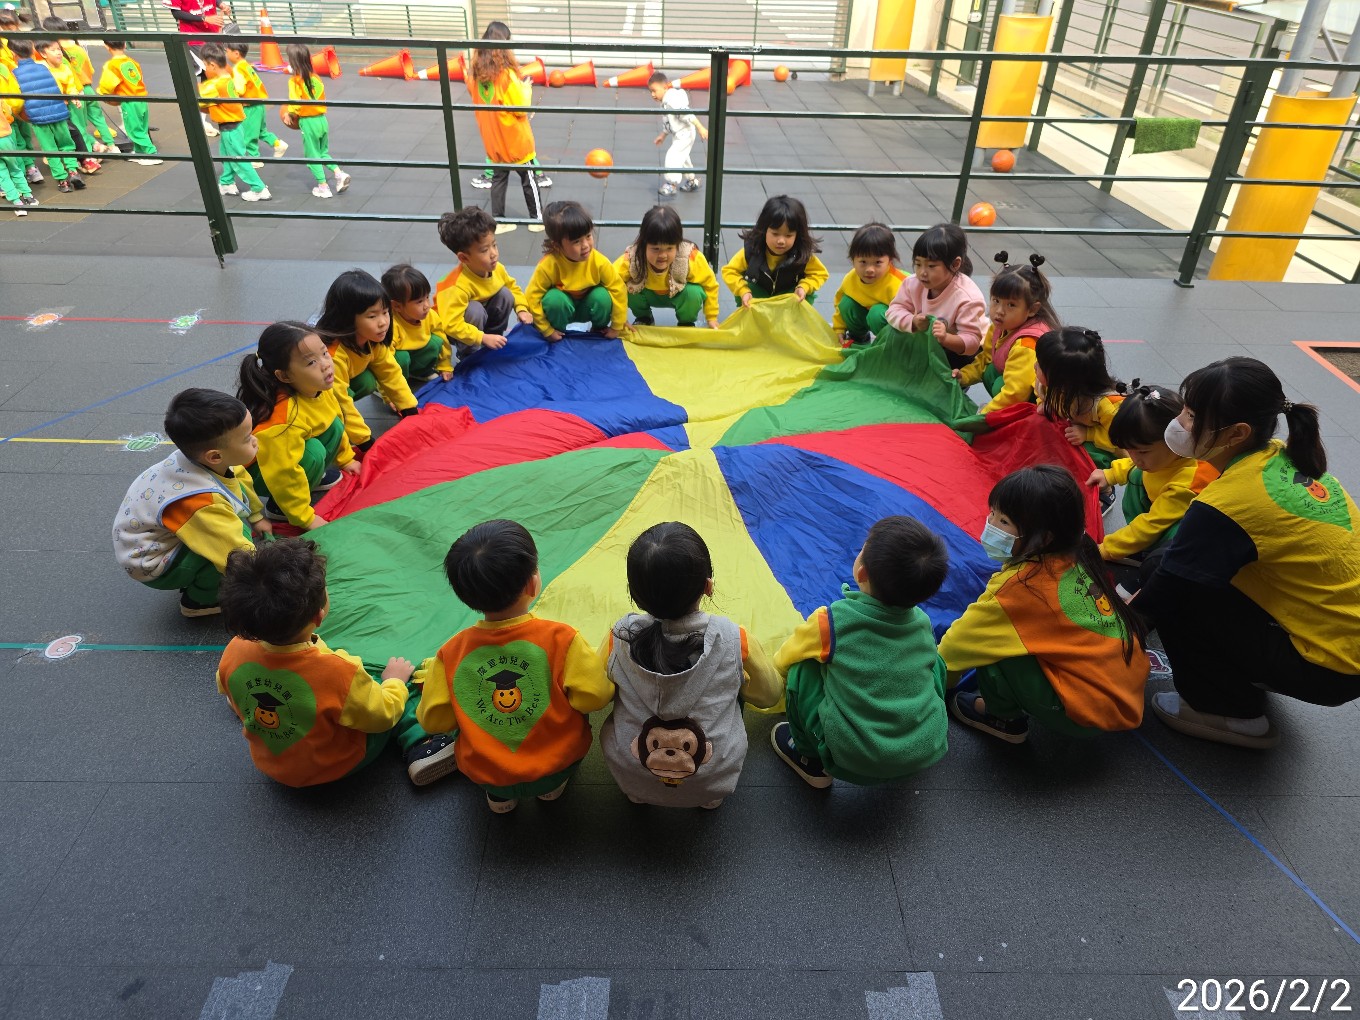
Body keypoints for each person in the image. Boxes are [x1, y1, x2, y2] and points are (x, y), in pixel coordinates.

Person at [1139, 357, 1360, 749]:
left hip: (1330, 666)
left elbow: (1165, 591)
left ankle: (1231, 712)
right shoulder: (1282, 456)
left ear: (1236, 433)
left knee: (1175, 590)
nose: (1179, 423)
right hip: (1343, 643)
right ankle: (1249, 668)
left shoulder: (1230, 502)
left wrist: (1103, 633)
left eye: (1192, 416)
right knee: (1170, 561)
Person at [216, 538, 459, 787]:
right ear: (319, 615)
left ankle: (248, 701)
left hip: (271, 762)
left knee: (243, 684)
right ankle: (422, 744)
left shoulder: (235, 650)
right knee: (398, 685)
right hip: (335, 763)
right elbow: (382, 715)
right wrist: (394, 681)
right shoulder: (337, 671)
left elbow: (223, 685)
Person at [939, 465, 1150, 743]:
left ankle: (1002, 718)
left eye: (1003, 521)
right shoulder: (1078, 553)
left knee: (993, 645)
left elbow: (955, 648)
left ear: (1044, 538)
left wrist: (929, 692)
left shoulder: (1020, 589)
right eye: (992, 513)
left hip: (1089, 711)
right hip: (1120, 690)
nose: (990, 523)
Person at [416, 519, 615, 813]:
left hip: (487, 774)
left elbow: (434, 721)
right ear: (532, 584)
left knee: (488, 764)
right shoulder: (562, 639)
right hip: (557, 765)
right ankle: (550, 790)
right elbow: (595, 697)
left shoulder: (450, 654)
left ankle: (501, 799)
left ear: (464, 596)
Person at [600, 523, 782, 808]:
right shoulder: (735, 639)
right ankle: (709, 799)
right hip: (712, 774)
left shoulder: (619, 636)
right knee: (738, 681)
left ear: (633, 594)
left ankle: (639, 794)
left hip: (632, 768)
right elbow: (769, 695)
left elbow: (597, 694)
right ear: (708, 586)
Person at [770, 516, 950, 787]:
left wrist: (776, 678)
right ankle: (910, 738)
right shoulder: (922, 622)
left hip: (849, 759)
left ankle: (808, 757)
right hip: (924, 749)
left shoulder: (831, 621)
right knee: (935, 661)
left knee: (800, 670)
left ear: (861, 573)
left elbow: (784, 658)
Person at [112, 388, 270, 617]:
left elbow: (240, 481)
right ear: (214, 456)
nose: (255, 440)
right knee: (233, 546)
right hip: (150, 562)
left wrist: (256, 516)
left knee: (233, 529)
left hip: (159, 535)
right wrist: (269, 584)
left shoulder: (209, 461)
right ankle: (200, 601)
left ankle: (195, 571)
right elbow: (236, 553)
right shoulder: (202, 503)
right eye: (247, 438)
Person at [236, 320, 358, 529]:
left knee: (335, 426)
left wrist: (346, 459)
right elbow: (283, 473)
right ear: (284, 376)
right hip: (261, 473)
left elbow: (334, 416)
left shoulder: (316, 386)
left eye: (324, 353)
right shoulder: (284, 419)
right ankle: (280, 507)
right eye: (311, 363)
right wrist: (305, 517)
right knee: (313, 452)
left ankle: (311, 478)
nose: (326, 364)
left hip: (281, 460)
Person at [1085, 382, 1216, 571]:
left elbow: (1151, 524)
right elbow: (1132, 463)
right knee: (1138, 474)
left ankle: (1152, 555)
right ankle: (1142, 546)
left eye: (1143, 452)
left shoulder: (1187, 482)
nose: (1135, 458)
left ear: (1174, 439)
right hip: (1160, 505)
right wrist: (1110, 474)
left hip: (1186, 531)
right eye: (1129, 450)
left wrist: (1105, 549)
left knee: (1175, 534)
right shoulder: (1164, 457)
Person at [315, 268, 418, 452]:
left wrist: (410, 410)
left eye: (385, 312)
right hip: (317, 397)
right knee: (335, 412)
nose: (383, 322)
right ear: (347, 318)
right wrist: (365, 441)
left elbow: (390, 373)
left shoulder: (371, 338)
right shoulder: (332, 356)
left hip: (340, 382)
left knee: (368, 380)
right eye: (372, 316)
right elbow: (340, 401)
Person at [954, 252, 1060, 412]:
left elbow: (1016, 393)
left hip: (1038, 401)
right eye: (996, 301)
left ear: (1032, 309)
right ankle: (1003, 410)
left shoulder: (1026, 344)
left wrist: (985, 414)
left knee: (999, 384)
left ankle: (1020, 414)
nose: (999, 311)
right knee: (990, 370)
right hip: (1017, 387)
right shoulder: (1000, 326)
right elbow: (985, 359)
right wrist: (963, 376)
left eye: (1011, 305)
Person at [467, 20, 542, 232]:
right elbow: (520, 108)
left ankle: (499, 220)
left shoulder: (474, 75)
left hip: (494, 139)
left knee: (498, 179)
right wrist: (525, 88)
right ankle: (537, 219)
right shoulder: (506, 76)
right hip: (514, 138)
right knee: (529, 178)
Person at [435, 206, 533, 363]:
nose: (493, 253)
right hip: (456, 329)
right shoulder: (456, 287)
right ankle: (469, 354)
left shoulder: (496, 268)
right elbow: (451, 325)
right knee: (475, 310)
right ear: (464, 258)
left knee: (505, 294)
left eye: (494, 245)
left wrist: (521, 308)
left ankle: (494, 340)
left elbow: (513, 288)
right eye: (484, 250)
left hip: (482, 321)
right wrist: (481, 337)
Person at [884, 222, 987, 369]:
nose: (922, 272)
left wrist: (946, 338)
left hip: (960, 350)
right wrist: (912, 321)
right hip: (930, 340)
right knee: (895, 336)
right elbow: (893, 310)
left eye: (931, 266)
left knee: (947, 362)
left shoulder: (967, 298)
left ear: (955, 264)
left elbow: (971, 342)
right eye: (918, 264)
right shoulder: (913, 283)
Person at [524, 200, 627, 340]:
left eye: (588, 236)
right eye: (576, 241)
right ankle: (558, 331)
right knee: (554, 300)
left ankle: (598, 329)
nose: (585, 245)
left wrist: (617, 326)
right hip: (563, 310)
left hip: (587, 307)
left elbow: (618, 289)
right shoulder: (549, 265)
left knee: (602, 297)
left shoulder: (599, 262)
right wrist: (546, 330)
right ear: (557, 245)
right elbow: (532, 296)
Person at [1035, 326, 1126, 479]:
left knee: (1088, 453)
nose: (1035, 366)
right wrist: (1044, 403)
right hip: (1073, 428)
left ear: (1062, 380)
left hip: (1107, 447)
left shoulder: (1105, 405)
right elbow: (1040, 391)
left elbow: (1122, 439)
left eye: (1040, 365)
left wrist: (1088, 434)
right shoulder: (1052, 382)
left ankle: (1100, 485)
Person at [613, 204, 720, 328]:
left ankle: (686, 322)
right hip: (646, 294)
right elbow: (612, 281)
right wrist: (619, 318)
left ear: (678, 244)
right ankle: (644, 318)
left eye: (669, 248)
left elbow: (710, 284)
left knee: (694, 292)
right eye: (656, 249)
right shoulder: (633, 258)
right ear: (644, 244)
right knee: (626, 288)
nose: (663, 255)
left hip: (679, 294)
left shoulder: (689, 257)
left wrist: (712, 317)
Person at [721, 194, 828, 306]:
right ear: (764, 230)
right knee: (749, 290)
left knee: (805, 295)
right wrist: (743, 291)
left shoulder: (801, 254)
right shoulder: (752, 250)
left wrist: (804, 287)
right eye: (775, 234)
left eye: (788, 235)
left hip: (786, 298)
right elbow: (729, 271)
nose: (781, 241)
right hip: (759, 296)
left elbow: (820, 273)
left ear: (797, 235)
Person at [198, 42, 269, 202]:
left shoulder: (216, 85)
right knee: (226, 155)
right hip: (233, 125)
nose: (205, 70)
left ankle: (259, 188)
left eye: (205, 66)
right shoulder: (228, 77)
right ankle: (227, 182)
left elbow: (201, 98)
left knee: (238, 159)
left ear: (212, 65)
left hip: (230, 127)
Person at [12, 39, 83, 194]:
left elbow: (17, 98)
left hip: (38, 117)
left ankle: (62, 181)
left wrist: (20, 114)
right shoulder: (43, 68)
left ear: (14, 54)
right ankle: (73, 171)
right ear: (33, 52)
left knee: (50, 148)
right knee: (66, 143)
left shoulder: (15, 73)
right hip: (58, 111)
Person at [41, 18, 114, 163]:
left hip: (75, 91)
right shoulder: (79, 48)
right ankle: (111, 145)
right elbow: (91, 70)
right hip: (88, 88)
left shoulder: (59, 53)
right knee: (98, 119)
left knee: (79, 126)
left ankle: (89, 156)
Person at [284, 43, 348, 199]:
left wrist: (289, 114)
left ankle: (323, 187)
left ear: (293, 62)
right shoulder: (316, 78)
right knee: (322, 152)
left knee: (312, 156)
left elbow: (295, 103)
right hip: (322, 120)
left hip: (308, 122)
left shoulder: (295, 81)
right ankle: (339, 173)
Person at [831, 222, 907, 345]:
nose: (869, 269)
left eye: (877, 262)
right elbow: (839, 304)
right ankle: (859, 338)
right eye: (863, 262)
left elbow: (911, 315)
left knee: (876, 313)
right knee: (846, 303)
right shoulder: (851, 278)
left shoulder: (901, 284)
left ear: (890, 260)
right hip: (866, 315)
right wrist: (839, 329)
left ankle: (887, 343)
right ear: (853, 259)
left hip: (894, 326)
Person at [223, 41, 287, 166]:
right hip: (259, 104)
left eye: (228, 51)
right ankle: (278, 144)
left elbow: (240, 89)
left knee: (248, 134)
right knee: (261, 131)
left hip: (250, 106)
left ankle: (254, 158)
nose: (226, 53)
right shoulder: (247, 66)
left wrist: (229, 88)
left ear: (236, 53)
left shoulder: (238, 69)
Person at [382, 263, 448, 385]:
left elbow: (442, 337)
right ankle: (394, 383)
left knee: (436, 342)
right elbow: (385, 360)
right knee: (402, 358)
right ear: (397, 306)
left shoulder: (429, 315)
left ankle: (421, 372)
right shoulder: (390, 326)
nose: (427, 305)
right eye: (419, 301)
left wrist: (445, 365)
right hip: (395, 362)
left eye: (427, 297)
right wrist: (389, 389)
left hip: (416, 353)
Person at [97, 38, 161, 164]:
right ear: (125, 44)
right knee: (141, 127)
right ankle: (139, 152)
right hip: (141, 98)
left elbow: (106, 85)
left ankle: (151, 153)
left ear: (106, 46)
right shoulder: (133, 62)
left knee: (133, 129)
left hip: (129, 100)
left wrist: (102, 93)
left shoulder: (111, 65)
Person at [646, 70, 708, 197]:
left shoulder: (672, 101)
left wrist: (700, 127)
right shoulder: (665, 102)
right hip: (680, 134)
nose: (652, 94)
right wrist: (663, 135)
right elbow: (669, 121)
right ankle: (692, 181)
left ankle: (671, 184)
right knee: (683, 158)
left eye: (654, 91)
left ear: (665, 87)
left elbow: (687, 113)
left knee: (673, 156)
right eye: (650, 91)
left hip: (685, 134)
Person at [0, 71, 36, 213]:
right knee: (14, 168)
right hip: (5, 136)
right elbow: (8, 112)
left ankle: (16, 202)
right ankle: (28, 195)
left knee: (2, 174)